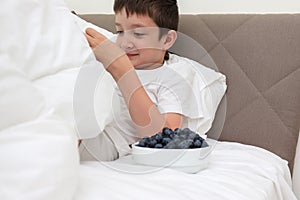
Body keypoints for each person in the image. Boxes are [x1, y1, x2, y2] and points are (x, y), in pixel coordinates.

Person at [81, 0, 226, 161]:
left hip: (108, 142)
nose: (125, 43)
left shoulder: (175, 75)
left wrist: (122, 71)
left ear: (166, 40)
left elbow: (165, 142)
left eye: (138, 34)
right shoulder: (110, 58)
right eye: (120, 31)